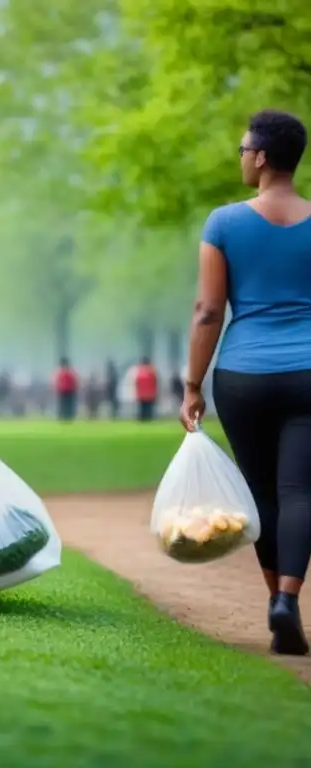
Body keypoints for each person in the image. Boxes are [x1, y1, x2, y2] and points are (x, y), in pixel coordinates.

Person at [179, 109, 311, 656]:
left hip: (243, 376)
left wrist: (192, 383)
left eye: (241, 149)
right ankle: (287, 597)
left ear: (260, 156)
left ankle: (279, 608)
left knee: (261, 493)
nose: (239, 157)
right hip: (308, 373)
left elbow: (209, 310)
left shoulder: (224, 223)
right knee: (300, 489)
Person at [134, 357, 158, 422]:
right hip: (147, 395)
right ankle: (145, 420)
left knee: (146, 410)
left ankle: (145, 420)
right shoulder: (151, 372)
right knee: (145, 410)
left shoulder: (141, 372)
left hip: (146, 395)